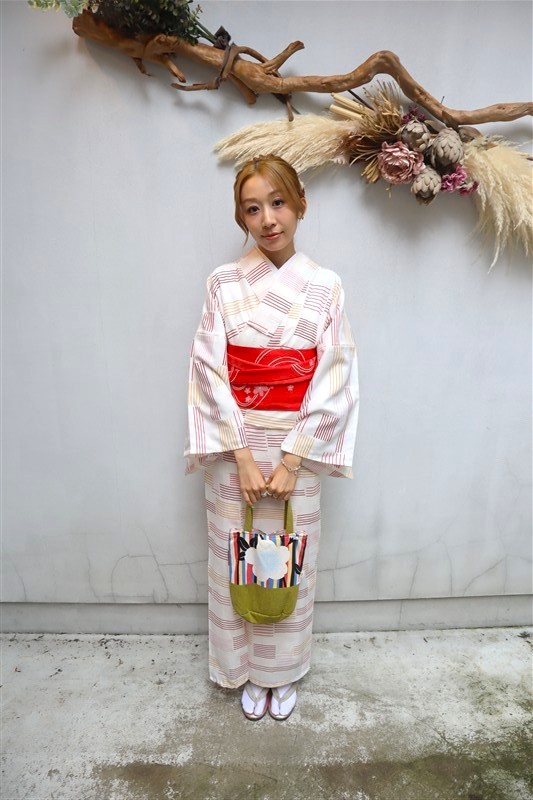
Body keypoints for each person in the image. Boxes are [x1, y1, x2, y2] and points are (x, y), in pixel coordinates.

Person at [185, 154, 359, 721]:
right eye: (252, 208)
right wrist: (241, 454)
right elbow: (209, 368)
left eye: (278, 203)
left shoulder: (325, 286)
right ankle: (240, 670)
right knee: (234, 558)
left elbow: (335, 373)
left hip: (296, 448)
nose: (268, 219)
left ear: (300, 204)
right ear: (241, 217)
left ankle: (281, 673)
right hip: (234, 450)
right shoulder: (223, 283)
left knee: (289, 558)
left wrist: (292, 459)